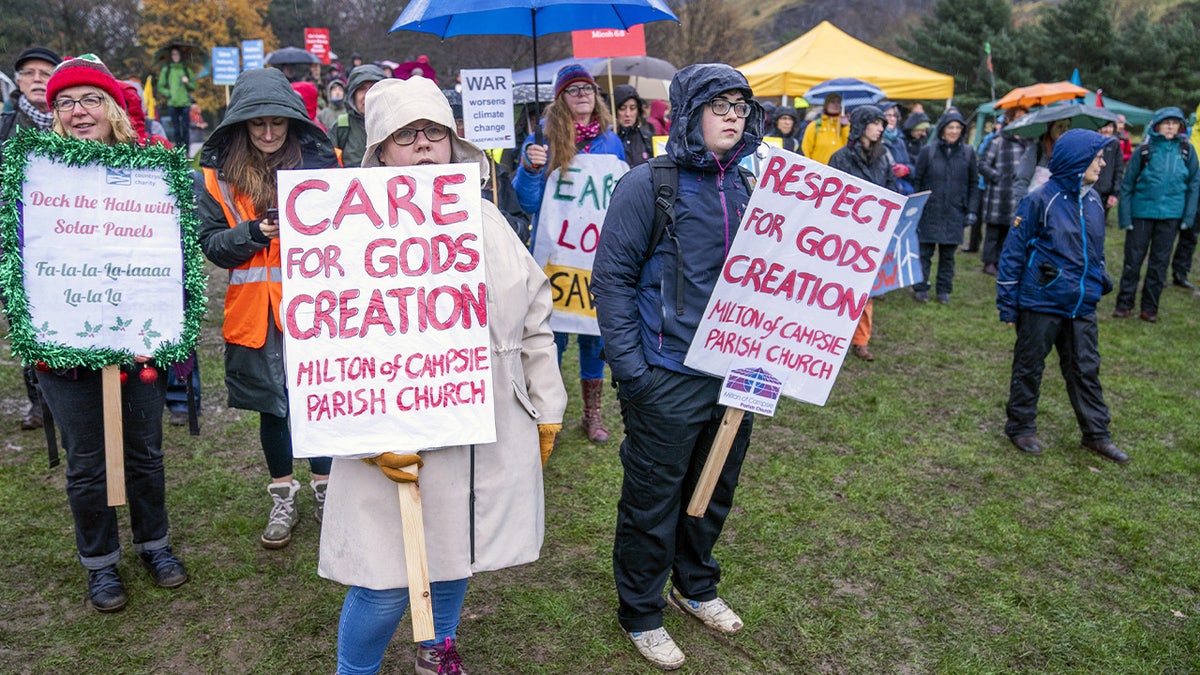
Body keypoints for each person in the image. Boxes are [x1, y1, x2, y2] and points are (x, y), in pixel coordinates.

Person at [319, 75, 566, 675]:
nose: (424, 144)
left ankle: (439, 648)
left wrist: (547, 405)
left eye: (433, 131)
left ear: (454, 143)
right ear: (379, 151)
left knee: (457, 552)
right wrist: (369, 435)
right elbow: (325, 347)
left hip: (483, 423)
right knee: (384, 578)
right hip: (389, 430)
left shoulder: (486, 219)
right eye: (406, 135)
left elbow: (533, 318)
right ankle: (356, 671)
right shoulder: (344, 230)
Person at [592, 63, 763, 671]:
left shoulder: (750, 186)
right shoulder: (647, 184)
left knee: (713, 490)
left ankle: (696, 585)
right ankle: (641, 611)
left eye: (741, 105)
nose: (734, 115)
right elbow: (609, 281)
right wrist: (634, 370)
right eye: (720, 104)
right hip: (665, 374)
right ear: (690, 112)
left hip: (737, 375)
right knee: (652, 499)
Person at [37, 53, 190, 612]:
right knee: (87, 461)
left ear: (113, 106)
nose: (79, 111)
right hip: (67, 341)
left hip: (138, 336)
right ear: (54, 113)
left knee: (145, 452)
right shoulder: (34, 169)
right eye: (66, 102)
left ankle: (156, 545)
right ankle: (101, 566)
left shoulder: (152, 164)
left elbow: (177, 240)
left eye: (90, 99)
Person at [194, 67, 338, 548]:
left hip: (321, 311)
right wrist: (255, 233)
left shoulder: (328, 165)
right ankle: (283, 495)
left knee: (321, 400)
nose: (270, 133)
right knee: (273, 408)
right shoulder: (216, 178)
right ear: (242, 126)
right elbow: (213, 247)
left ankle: (326, 492)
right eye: (259, 125)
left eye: (278, 123)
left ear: (294, 122)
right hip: (256, 314)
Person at [997, 129, 1128, 464]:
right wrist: (1007, 302)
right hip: (1041, 302)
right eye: (1097, 157)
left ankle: (1096, 435)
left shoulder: (1095, 199)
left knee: (1085, 368)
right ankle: (1021, 427)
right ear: (1076, 160)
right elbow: (1012, 254)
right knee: (1029, 366)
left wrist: (1100, 280)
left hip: (1080, 304)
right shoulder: (1039, 199)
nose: (1102, 163)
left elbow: (1094, 252)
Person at [513, 63, 625, 443]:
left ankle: (591, 415)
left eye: (588, 89)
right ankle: (549, 415)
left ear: (597, 97)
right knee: (552, 336)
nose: (582, 95)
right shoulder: (542, 139)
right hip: (554, 255)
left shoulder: (611, 141)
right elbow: (528, 202)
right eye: (573, 90)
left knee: (595, 333)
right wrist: (530, 169)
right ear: (560, 99)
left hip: (595, 256)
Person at [2, 45, 62, 431]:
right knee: (24, 321)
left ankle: (71, 390)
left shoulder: (74, 121)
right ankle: (38, 401)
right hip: (16, 244)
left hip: (67, 243)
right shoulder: (5, 127)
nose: (38, 80)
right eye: (30, 74)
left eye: (46, 73)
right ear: (18, 82)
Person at [1113, 106, 1200, 322]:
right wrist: (1125, 217)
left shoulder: (1187, 151)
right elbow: (1127, 184)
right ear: (1157, 125)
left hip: (1171, 216)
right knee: (1133, 260)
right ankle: (1124, 304)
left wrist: (1188, 218)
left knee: (1159, 264)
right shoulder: (1143, 150)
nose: (1170, 126)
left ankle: (1149, 309)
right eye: (1166, 122)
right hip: (1142, 214)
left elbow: (1194, 185)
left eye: (1175, 123)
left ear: (1180, 126)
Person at [829, 105, 895, 362]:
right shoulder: (840, 157)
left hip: (873, 233)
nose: (881, 128)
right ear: (861, 125)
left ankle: (860, 340)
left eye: (883, 124)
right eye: (876, 123)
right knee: (837, 288)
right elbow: (832, 194)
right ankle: (831, 337)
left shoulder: (884, 156)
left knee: (866, 290)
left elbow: (891, 188)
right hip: (845, 232)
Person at [913, 109, 979, 304]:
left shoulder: (968, 154)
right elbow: (918, 180)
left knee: (948, 255)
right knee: (924, 252)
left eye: (958, 127)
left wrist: (972, 210)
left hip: (954, 211)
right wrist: (916, 206)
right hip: (930, 210)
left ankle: (943, 289)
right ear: (942, 129)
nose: (954, 131)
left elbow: (974, 183)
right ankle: (921, 286)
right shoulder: (928, 151)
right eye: (950, 127)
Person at [978, 107, 1031, 275]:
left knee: (1009, 230)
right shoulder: (998, 140)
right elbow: (982, 164)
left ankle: (1002, 260)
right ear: (1008, 119)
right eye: (1017, 117)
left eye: (1024, 117)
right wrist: (997, 176)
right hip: (998, 194)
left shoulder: (1028, 142)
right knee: (993, 231)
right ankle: (988, 262)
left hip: (1016, 195)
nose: (1020, 120)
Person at [330, 64, 385, 168]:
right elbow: (329, 164)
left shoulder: (395, 124)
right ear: (352, 95)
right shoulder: (341, 126)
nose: (368, 95)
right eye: (361, 89)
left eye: (373, 88)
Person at [1013, 118, 1071, 197]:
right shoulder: (1037, 149)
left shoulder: (1070, 153)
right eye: (1060, 126)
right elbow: (1021, 182)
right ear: (1050, 128)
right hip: (1035, 205)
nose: (1065, 130)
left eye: (1068, 126)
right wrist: (1023, 207)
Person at [157, 47, 194, 150]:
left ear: (181, 56)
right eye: (173, 54)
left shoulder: (186, 70)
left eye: (177, 54)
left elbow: (193, 87)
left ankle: (187, 150)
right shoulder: (167, 70)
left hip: (185, 103)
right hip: (172, 103)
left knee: (185, 128)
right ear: (171, 56)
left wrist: (187, 83)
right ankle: (178, 150)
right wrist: (169, 93)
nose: (175, 56)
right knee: (176, 129)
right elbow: (161, 86)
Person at [612, 84, 653, 167]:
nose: (628, 114)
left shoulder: (646, 137)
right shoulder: (607, 139)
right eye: (622, 108)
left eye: (632, 108)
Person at [800, 92, 848, 164]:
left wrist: (845, 127)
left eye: (838, 102)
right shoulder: (814, 126)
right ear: (826, 104)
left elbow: (849, 147)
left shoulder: (846, 126)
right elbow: (806, 150)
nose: (836, 105)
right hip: (818, 171)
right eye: (832, 102)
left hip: (839, 171)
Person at [879, 102, 914, 195]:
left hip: (899, 190)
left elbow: (911, 167)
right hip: (883, 191)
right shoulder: (875, 140)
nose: (892, 119)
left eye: (894, 116)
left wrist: (907, 170)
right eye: (888, 115)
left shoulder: (900, 141)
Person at [1093, 120, 1125, 222]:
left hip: (1106, 192)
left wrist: (1115, 193)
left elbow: (1118, 169)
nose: (1107, 130)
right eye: (1104, 126)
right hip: (1090, 189)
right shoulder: (1091, 143)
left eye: (1110, 126)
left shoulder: (1115, 144)